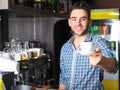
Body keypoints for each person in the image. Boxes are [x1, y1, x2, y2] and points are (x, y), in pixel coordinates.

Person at [58, 1, 118, 90]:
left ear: (90, 22)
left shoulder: (98, 42)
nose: (78, 23)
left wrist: (101, 61)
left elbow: (114, 67)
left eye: (83, 19)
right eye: (74, 19)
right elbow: (63, 79)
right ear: (69, 22)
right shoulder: (65, 48)